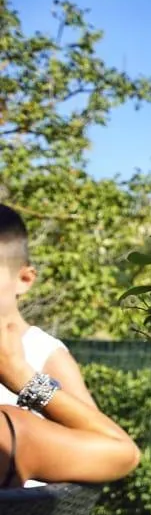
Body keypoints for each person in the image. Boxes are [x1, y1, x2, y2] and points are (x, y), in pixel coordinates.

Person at [0, 203, 140, 488]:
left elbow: (110, 450)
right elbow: (119, 451)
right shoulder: (12, 430)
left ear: (25, 279)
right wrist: (23, 378)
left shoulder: (45, 352)